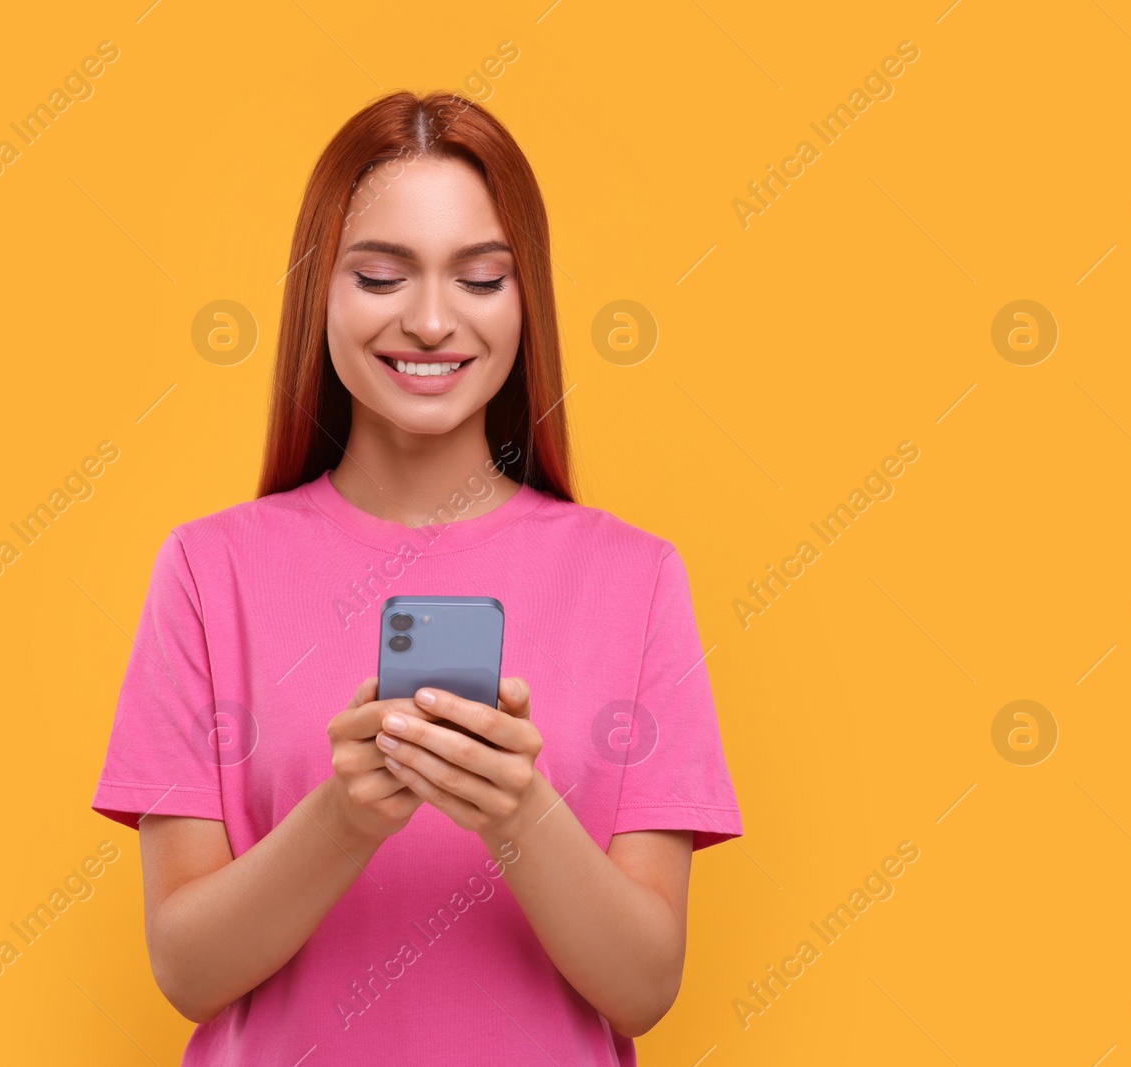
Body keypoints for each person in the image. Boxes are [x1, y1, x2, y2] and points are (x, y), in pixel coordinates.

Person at [91, 89, 742, 1066]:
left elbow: (645, 986)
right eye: (382, 275)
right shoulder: (207, 569)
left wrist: (517, 808)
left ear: (528, 303)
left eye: (480, 279)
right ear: (321, 290)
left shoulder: (635, 578)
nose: (431, 321)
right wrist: (344, 816)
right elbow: (186, 966)